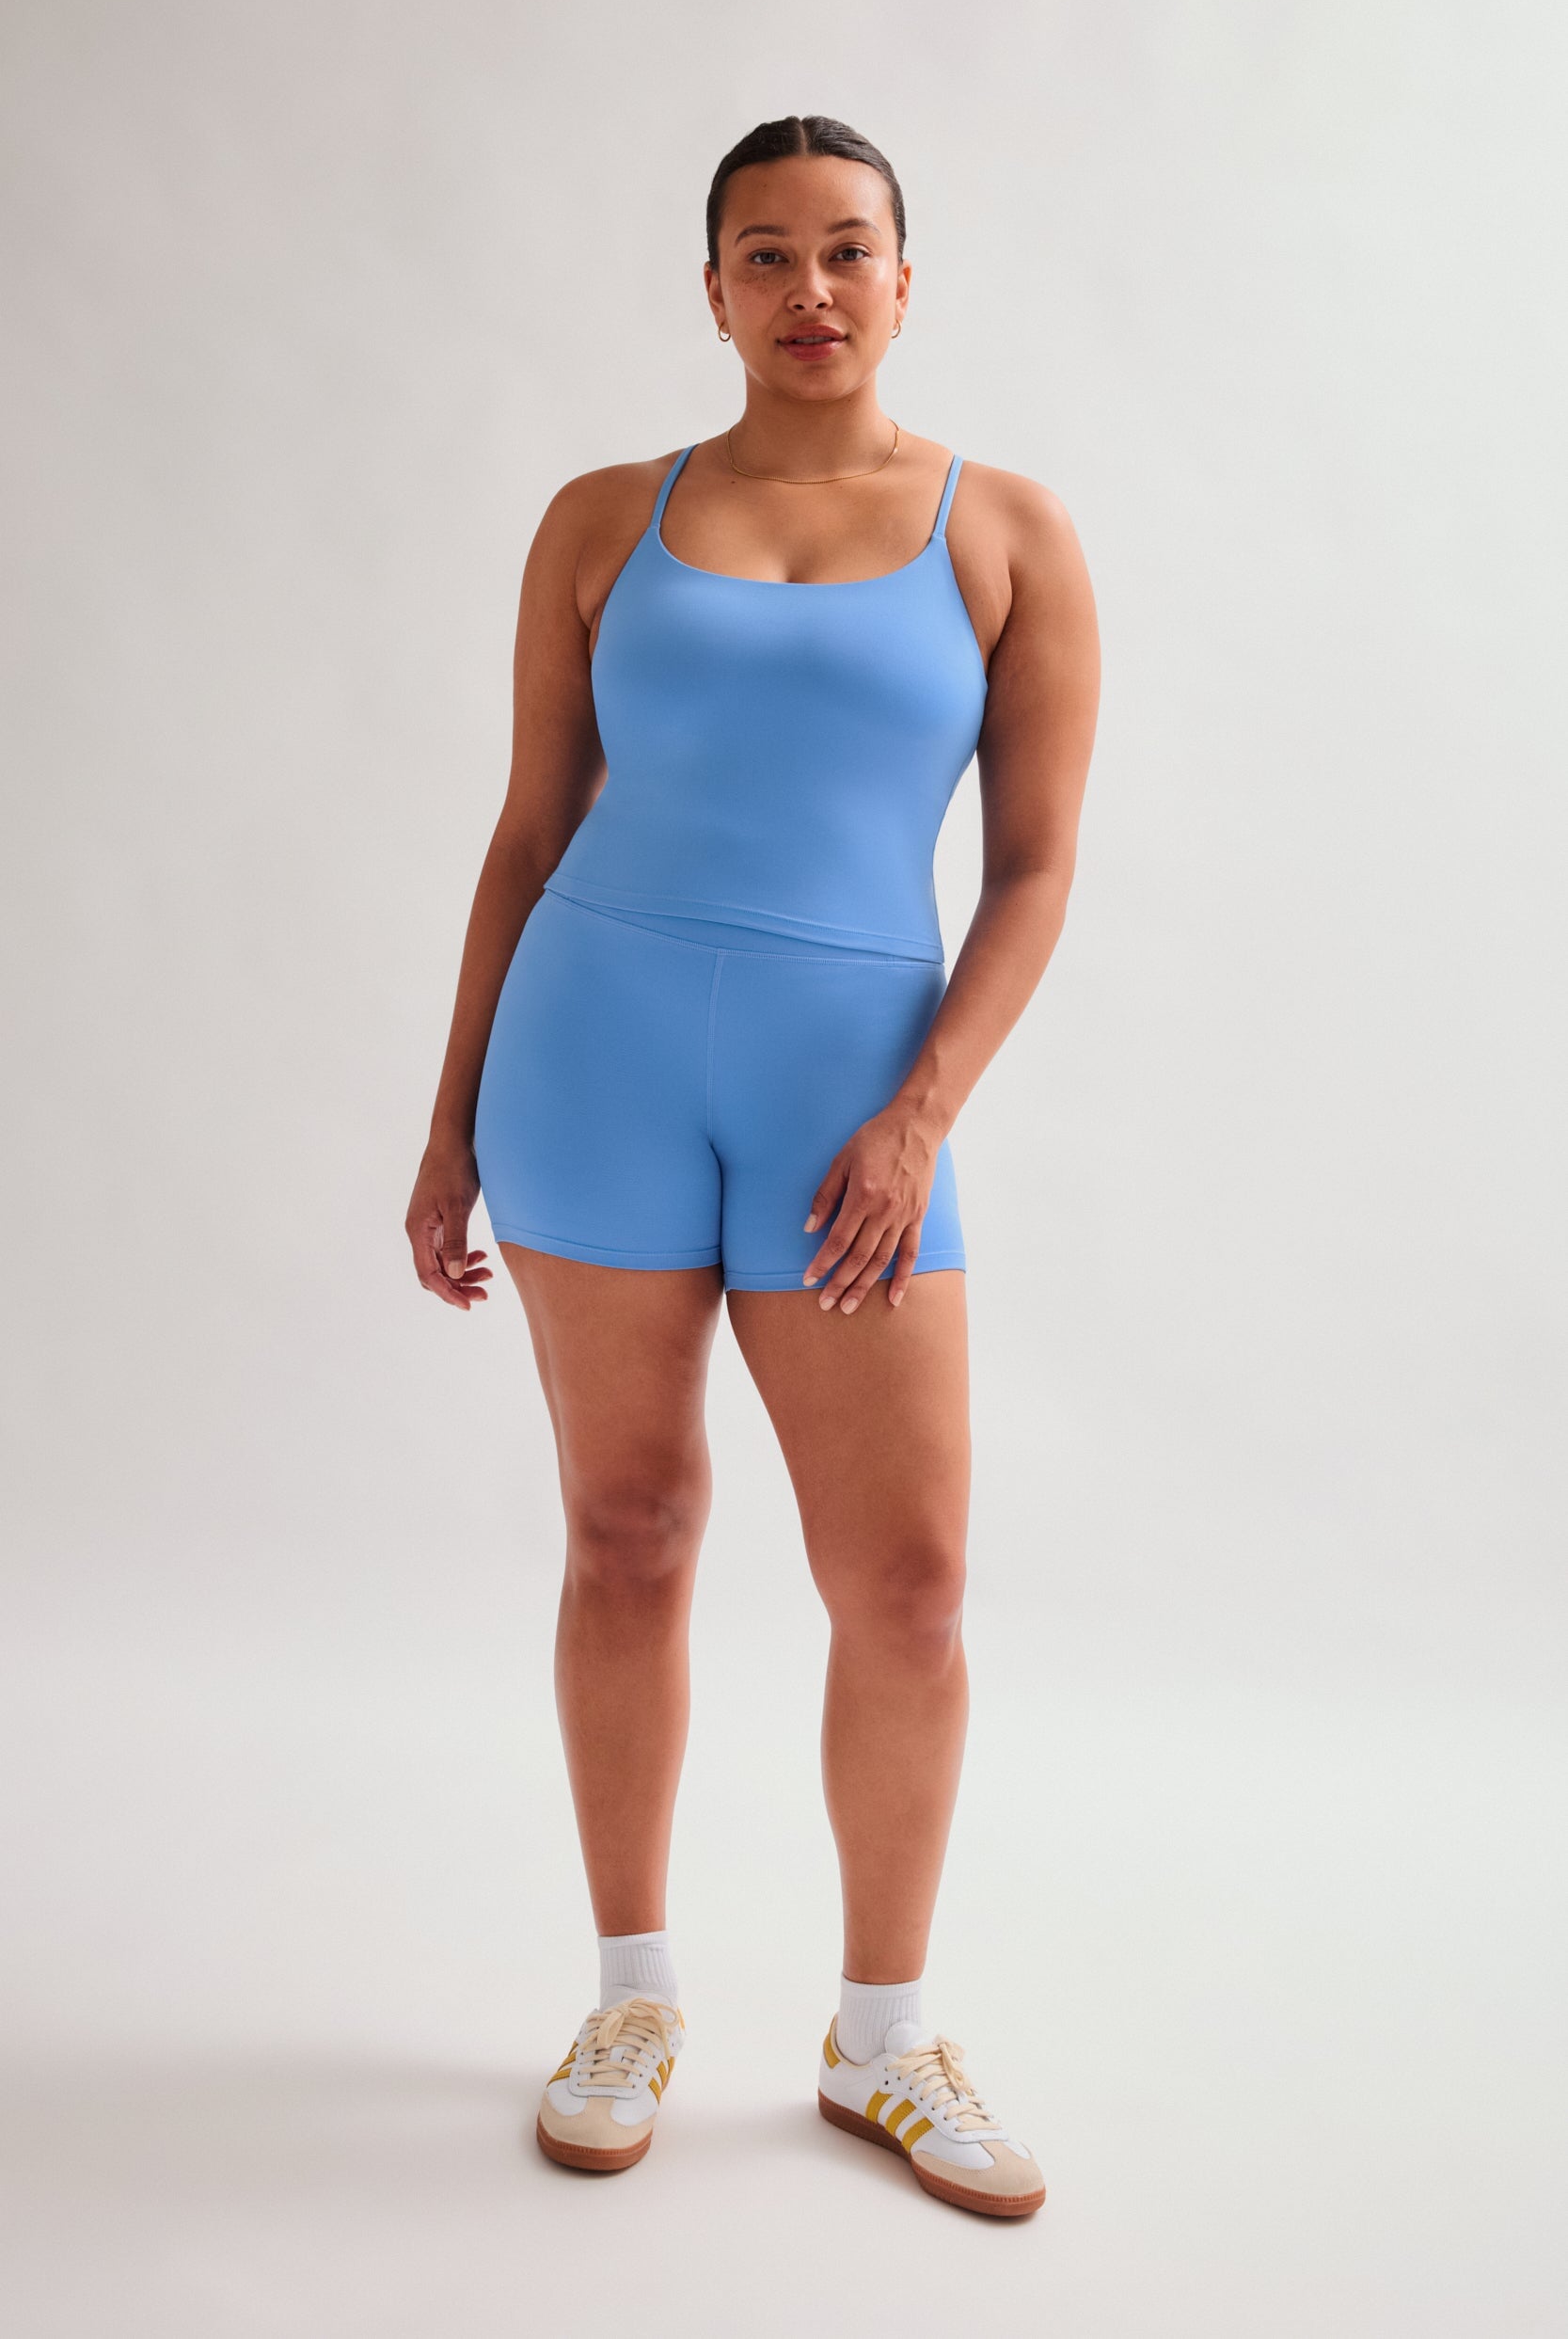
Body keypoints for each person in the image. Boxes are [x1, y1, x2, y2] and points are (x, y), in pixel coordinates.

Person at [404, 111, 1100, 2220]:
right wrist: (447, 1119)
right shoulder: (602, 519)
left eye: (847, 249)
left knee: (908, 1583)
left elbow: (1037, 869)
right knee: (627, 1529)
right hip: (592, 1061)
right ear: (712, 290)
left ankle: (883, 2039)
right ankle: (630, 1996)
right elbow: (528, 834)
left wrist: (921, 1109)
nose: (811, 288)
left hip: (850, 1104)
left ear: (906, 278)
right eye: (767, 254)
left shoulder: (1006, 534)